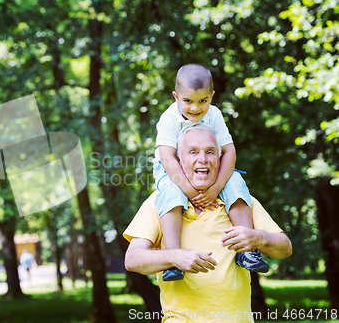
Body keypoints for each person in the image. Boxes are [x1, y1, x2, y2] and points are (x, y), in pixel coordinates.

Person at [124, 124, 292, 322]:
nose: (202, 159)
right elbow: (133, 259)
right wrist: (175, 257)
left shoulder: (240, 201)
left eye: (210, 152)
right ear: (178, 161)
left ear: (221, 160)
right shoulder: (160, 202)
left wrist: (259, 238)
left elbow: (285, 248)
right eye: (193, 151)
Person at [153, 64, 267, 281]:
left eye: (202, 101)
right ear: (176, 96)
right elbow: (167, 158)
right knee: (171, 193)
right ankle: (173, 258)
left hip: (208, 167)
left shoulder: (214, 115)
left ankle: (247, 252)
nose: (195, 108)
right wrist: (189, 191)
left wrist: (216, 188)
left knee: (235, 182)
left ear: (211, 97)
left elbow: (229, 151)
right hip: (172, 168)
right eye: (188, 101)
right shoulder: (168, 119)